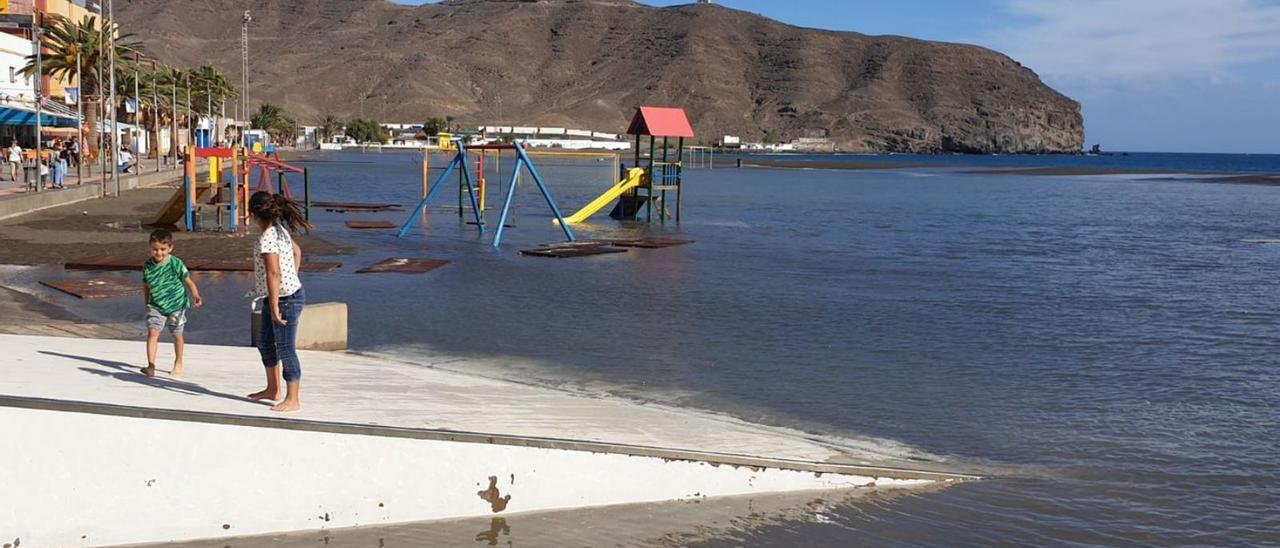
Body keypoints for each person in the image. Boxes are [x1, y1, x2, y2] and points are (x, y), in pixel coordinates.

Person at [247, 191, 310, 412]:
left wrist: (274, 306)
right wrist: (293, 276)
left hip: (285, 300)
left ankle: (293, 399)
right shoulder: (279, 230)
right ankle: (273, 389)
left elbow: (273, 273)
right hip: (279, 296)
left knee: (285, 347)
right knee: (264, 341)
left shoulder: (268, 238)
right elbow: (297, 252)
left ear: (253, 214)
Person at [142, 229, 203, 378]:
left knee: (177, 334)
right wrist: (147, 302)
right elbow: (146, 286)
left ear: (170, 248)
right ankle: (151, 365)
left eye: (163, 249)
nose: (159, 253)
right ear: (150, 248)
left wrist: (195, 295)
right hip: (156, 305)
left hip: (176, 305)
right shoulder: (147, 266)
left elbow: (188, 281)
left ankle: (179, 361)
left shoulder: (176, 263)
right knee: (152, 333)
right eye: (155, 249)